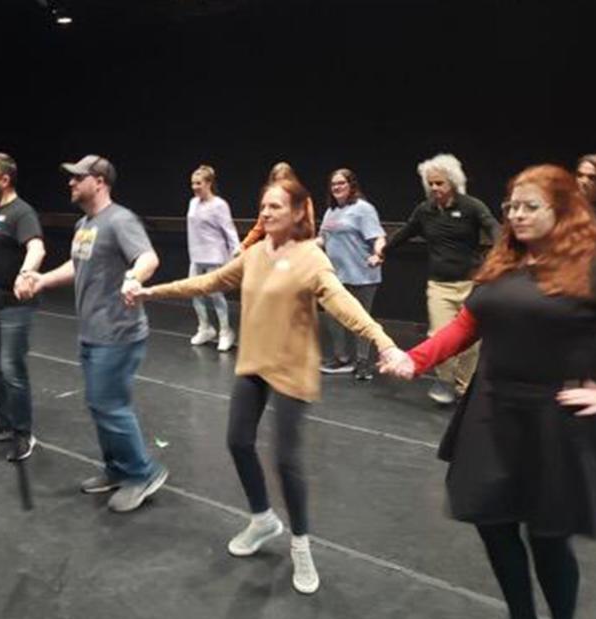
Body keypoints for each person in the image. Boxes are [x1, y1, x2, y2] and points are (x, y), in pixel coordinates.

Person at [380, 165, 596, 619]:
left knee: (547, 536)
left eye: (529, 206)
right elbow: (464, 327)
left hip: (554, 419)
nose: (516, 214)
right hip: (492, 409)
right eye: (511, 205)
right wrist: (414, 360)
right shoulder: (503, 263)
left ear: (562, 211)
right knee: (491, 521)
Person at [124, 177, 406, 594]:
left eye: (276, 206)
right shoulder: (254, 254)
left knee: (286, 462)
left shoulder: (312, 257)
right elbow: (208, 282)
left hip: (292, 368)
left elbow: (342, 302)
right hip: (255, 362)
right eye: (263, 205)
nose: (267, 212)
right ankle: (262, 519)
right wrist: (150, 292)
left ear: (297, 212)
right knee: (238, 442)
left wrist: (384, 342)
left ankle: (301, 545)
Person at [15, 155, 169, 513]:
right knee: (99, 404)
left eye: (77, 178)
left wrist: (134, 277)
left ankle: (143, 472)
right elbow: (77, 263)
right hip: (92, 330)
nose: (70, 183)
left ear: (98, 181)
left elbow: (148, 258)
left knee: (110, 405)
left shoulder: (120, 220)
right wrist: (42, 279)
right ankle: (117, 469)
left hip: (118, 332)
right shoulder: (85, 223)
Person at [377, 153, 500, 405]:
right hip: (439, 285)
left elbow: (495, 230)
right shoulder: (425, 211)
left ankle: (464, 387)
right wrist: (382, 251)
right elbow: (406, 233)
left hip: (469, 284)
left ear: (452, 182)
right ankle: (445, 381)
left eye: (439, 183)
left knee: (471, 342)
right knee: (438, 335)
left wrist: (504, 257)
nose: (434, 188)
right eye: (430, 183)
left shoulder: (472, 207)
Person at [0, 153, 45, 462]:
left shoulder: (22, 212)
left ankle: (23, 433)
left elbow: (36, 246)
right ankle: (6, 422)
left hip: (15, 306)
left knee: (12, 369)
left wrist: (27, 273)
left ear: (4, 179)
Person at [316, 168, 386, 380]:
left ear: (351, 186)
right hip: (337, 276)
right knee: (332, 316)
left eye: (341, 183)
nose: (337, 187)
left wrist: (378, 254)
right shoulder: (331, 212)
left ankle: (363, 362)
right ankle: (341, 357)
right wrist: (304, 247)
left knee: (360, 319)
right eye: (333, 184)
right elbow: (323, 239)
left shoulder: (363, 209)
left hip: (362, 274)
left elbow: (379, 237)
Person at [185, 164, 239, 351]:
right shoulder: (193, 203)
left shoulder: (219, 205)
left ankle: (226, 331)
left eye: (198, 183)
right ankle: (205, 328)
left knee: (216, 295)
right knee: (193, 292)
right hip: (196, 256)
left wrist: (236, 255)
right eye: (193, 183)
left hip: (215, 256)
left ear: (209, 183)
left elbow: (230, 231)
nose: (195, 187)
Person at [238, 162, 316, 252]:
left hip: (296, 244)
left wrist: (309, 247)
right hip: (272, 245)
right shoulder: (269, 199)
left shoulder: (302, 198)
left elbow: (310, 225)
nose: (280, 184)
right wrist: (244, 244)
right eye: (277, 180)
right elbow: (260, 226)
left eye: (284, 180)